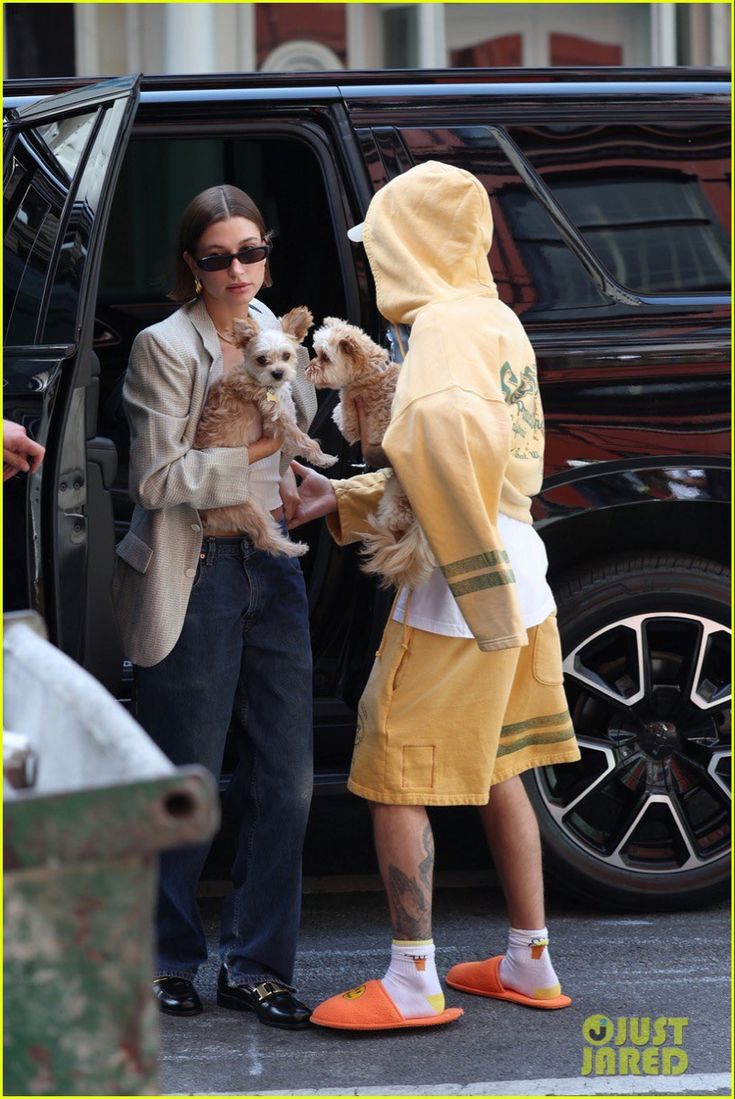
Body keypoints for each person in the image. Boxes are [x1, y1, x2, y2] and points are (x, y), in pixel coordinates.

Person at [288, 160, 581, 1031]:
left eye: (381, 242)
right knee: (497, 766)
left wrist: (463, 574)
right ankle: (529, 961)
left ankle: (412, 981)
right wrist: (341, 498)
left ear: (406, 244)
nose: (377, 260)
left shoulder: (444, 331)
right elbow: (482, 465)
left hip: (462, 580)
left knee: (389, 771)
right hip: (518, 559)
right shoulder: (492, 316)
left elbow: (440, 444)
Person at [112, 185, 315, 1030]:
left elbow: (300, 423)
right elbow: (155, 480)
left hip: (274, 565)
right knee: (186, 775)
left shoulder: (276, 329)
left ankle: (258, 965)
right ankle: (166, 957)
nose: (237, 270)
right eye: (216, 256)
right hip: (193, 567)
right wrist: (266, 448)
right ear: (189, 266)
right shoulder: (164, 345)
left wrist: (302, 476)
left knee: (288, 780)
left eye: (251, 252)